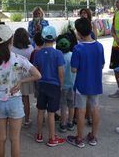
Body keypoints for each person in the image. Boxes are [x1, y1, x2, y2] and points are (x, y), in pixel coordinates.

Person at [0, 24, 41, 157]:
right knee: (14, 139)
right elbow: (38, 75)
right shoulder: (19, 60)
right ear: (11, 39)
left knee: (1, 138)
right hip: (15, 102)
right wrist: (21, 81)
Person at [66, 18, 104, 148]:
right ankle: (93, 136)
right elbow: (102, 64)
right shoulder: (99, 46)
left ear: (79, 33)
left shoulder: (78, 48)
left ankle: (79, 138)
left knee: (81, 111)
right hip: (96, 84)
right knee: (95, 109)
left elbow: (74, 69)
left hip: (82, 85)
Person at [34, 25, 66, 147]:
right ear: (55, 38)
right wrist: (61, 85)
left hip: (42, 84)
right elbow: (61, 72)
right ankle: (52, 138)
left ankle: (39, 135)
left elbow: (35, 70)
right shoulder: (58, 54)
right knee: (51, 113)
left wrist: (38, 84)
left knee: (40, 111)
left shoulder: (38, 54)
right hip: (54, 86)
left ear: (42, 37)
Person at [12, 28, 34, 127]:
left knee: (12, 97)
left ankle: (12, 118)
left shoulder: (12, 48)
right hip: (26, 75)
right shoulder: (30, 48)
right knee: (25, 98)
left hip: (14, 74)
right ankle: (26, 120)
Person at [55, 36, 75, 133]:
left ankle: (63, 124)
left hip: (62, 85)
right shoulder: (73, 55)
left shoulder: (58, 57)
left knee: (63, 105)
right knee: (71, 105)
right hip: (73, 85)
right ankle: (70, 123)